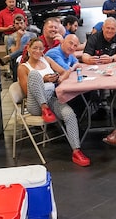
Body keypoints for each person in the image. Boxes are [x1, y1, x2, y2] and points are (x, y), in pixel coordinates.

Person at [18, 38, 90, 167]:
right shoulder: (23, 67)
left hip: (51, 98)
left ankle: (76, 150)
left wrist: (57, 78)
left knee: (69, 114)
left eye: (41, 48)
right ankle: (44, 107)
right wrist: (43, 80)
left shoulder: (47, 60)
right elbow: (27, 93)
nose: (38, 51)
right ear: (28, 48)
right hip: (35, 104)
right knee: (34, 75)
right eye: (35, 48)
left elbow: (65, 71)